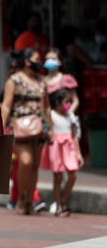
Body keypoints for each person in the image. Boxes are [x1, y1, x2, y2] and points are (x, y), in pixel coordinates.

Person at [1, 48, 52, 215]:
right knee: (25, 161)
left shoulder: (41, 82)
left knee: (35, 166)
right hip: (20, 127)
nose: (40, 62)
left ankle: (30, 200)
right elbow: (6, 105)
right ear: (27, 61)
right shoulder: (13, 80)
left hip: (39, 128)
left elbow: (47, 107)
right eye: (37, 58)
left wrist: (50, 129)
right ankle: (21, 197)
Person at [39, 88, 83, 217]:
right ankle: (59, 206)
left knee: (73, 174)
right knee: (57, 178)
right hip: (56, 147)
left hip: (69, 146)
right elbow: (45, 112)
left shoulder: (70, 115)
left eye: (69, 102)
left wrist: (79, 153)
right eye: (65, 102)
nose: (68, 105)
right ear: (57, 103)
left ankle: (64, 200)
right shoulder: (51, 115)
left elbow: (74, 135)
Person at [44, 47, 80, 113]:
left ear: (60, 62)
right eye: (47, 59)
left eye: (53, 59)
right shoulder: (41, 81)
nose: (49, 61)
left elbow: (75, 101)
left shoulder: (67, 79)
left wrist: (68, 115)